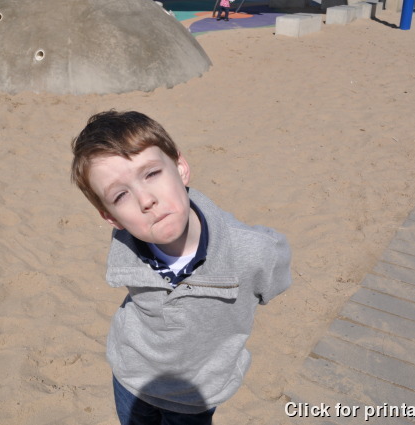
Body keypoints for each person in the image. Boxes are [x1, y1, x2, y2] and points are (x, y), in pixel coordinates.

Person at [70, 110, 292, 425]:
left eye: (151, 174)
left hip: (195, 398)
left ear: (180, 168)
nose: (145, 200)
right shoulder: (126, 243)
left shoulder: (254, 251)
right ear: (111, 218)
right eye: (120, 195)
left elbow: (274, 277)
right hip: (131, 379)